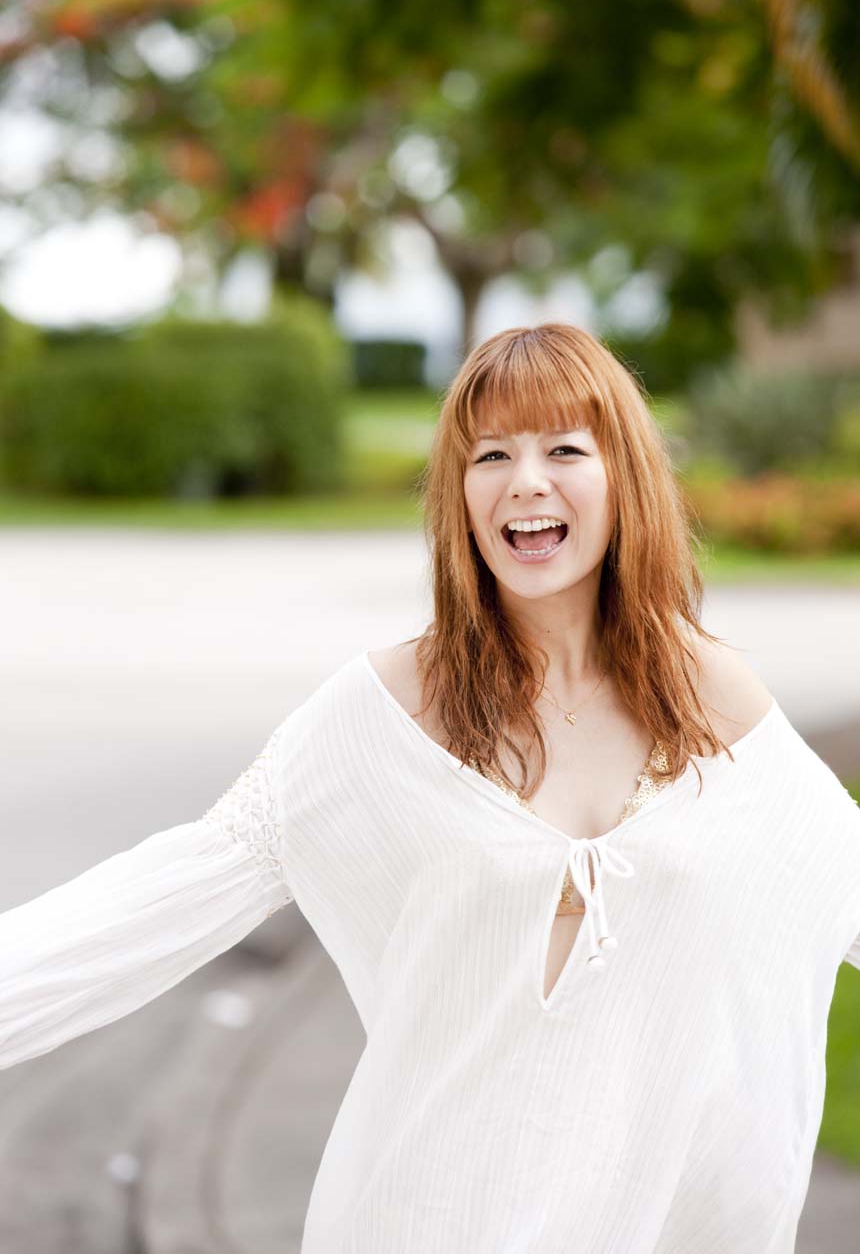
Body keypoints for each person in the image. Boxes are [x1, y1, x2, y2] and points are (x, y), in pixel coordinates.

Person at [1, 321, 859, 1253]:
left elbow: (836, 879)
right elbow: (171, 890)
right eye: (491, 455)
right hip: (423, 1218)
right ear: (460, 493)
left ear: (625, 477)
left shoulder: (709, 696)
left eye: (564, 449)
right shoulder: (383, 710)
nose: (525, 481)